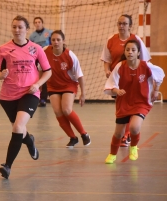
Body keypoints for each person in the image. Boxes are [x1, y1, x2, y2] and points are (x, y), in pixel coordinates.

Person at [0, 15, 52, 179]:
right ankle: (30, 141)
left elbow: (48, 71)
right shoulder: (3, 49)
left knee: (18, 127)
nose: (17, 30)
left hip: (30, 93)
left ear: (27, 29)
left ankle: (7, 166)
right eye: (14, 27)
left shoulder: (36, 49)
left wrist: (37, 85)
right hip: (8, 96)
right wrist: (1, 74)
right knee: (20, 129)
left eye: (20, 27)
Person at [104, 39, 165, 164]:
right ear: (124, 52)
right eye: (127, 50)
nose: (130, 52)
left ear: (138, 53)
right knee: (118, 133)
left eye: (133, 50)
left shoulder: (145, 66)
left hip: (141, 102)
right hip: (124, 103)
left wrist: (155, 90)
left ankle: (133, 147)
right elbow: (111, 84)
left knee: (134, 127)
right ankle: (112, 154)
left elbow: (160, 74)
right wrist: (116, 90)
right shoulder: (120, 66)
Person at [100, 14, 151, 147]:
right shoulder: (111, 40)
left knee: (132, 106)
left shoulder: (137, 40)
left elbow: (145, 61)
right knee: (121, 106)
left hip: (134, 79)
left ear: (130, 25)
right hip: (118, 80)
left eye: (124, 23)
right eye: (119, 23)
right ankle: (124, 132)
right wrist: (107, 70)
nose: (121, 26)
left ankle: (127, 135)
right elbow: (106, 59)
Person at [43, 30, 91, 148]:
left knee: (66, 109)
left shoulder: (70, 55)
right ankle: (72, 137)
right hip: (53, 85)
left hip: (68, 84)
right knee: (57, 111)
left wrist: (83, 94)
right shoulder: (45, 51)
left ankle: (84, 134)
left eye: (58, 40)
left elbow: (80, 75)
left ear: (64, 41)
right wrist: (39, 86)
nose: (56, 42)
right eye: (53, 40)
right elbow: (40, 69)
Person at [29, 17, 53, 107]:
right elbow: (30, 48)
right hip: (36, 59)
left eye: (39, 22)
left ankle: (44, 98)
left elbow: (52, 45)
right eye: (35, 22)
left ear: (42, 23)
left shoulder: (49, 33)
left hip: (47, 58)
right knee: (39, 78)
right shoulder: (32, 36)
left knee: (47, 77)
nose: (37, 23)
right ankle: (39, 98)